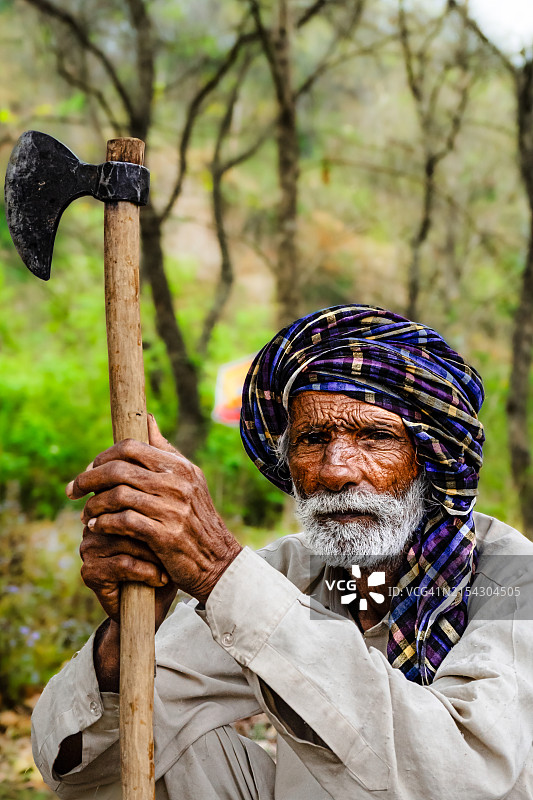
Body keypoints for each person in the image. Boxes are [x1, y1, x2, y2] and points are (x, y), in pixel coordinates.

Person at [32, 304, 533, 799]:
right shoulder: (293, 573)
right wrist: (127, 632)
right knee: (151, 731)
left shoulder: (510, 572)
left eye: (376, 437)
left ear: (429, 457)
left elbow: (465, 776)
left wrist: (217, 568)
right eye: (313, 438)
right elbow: (76, 770)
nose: (336, 471)